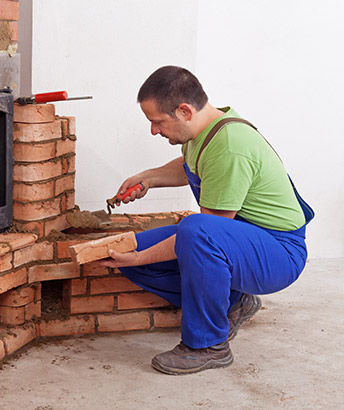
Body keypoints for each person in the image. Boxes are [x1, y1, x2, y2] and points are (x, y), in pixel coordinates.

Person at [97, 66, 314, 375]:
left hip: (279, 252)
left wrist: (138, 258)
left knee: (190, 233)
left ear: (184, 110)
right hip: (245, 240)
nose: (154, 131)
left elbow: (206, 234)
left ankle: (208, 345)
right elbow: (192, 164)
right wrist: (148, 178)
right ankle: (234, 303)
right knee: (131, 252)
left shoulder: (231, 146)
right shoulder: (204, 131)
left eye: (157, 122)